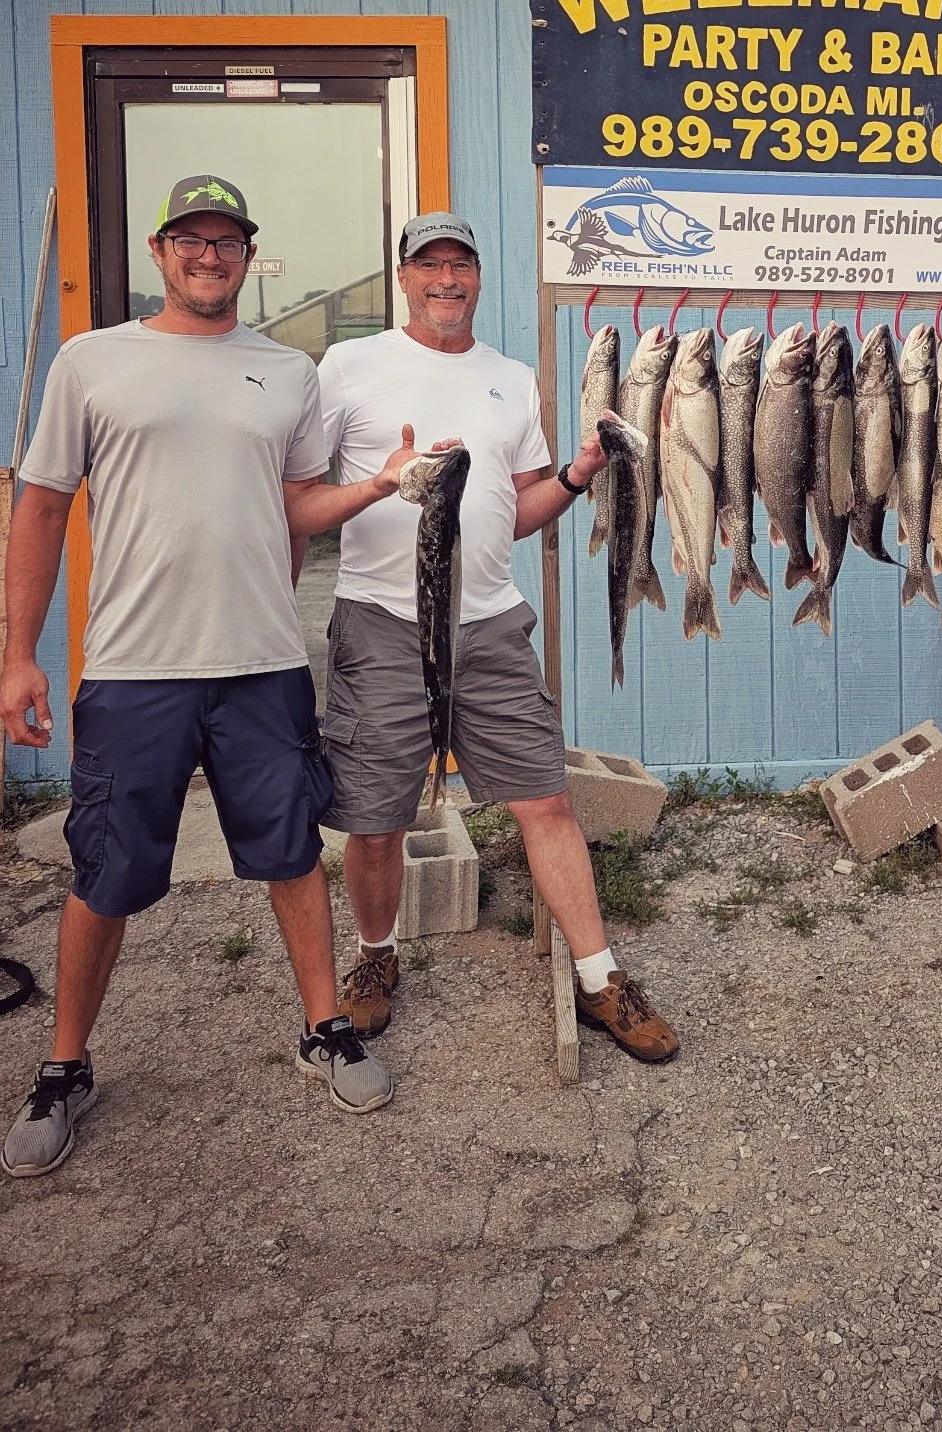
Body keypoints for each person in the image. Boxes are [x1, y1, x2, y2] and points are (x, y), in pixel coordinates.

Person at [0, 175, 419, 1180]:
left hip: (264, 665)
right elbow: (44, 506)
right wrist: (16, 655)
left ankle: (324, 1026)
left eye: (226, 240)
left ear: (246, 256)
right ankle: (64, 1064)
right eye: (191, 238)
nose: (209, 255)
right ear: (159, 251)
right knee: (106, 871)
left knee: (287, 856)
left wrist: (378, 488)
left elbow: (298, 511)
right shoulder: (92, 362)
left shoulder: (285, 371)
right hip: (136, 668)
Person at [311, 213, 678, 1064]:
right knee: (375, 820)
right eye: (428, 263)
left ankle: (599, 978)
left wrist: (580, 473)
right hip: (381, 622)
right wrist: (375, 486)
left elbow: (519, 510)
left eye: (460, 263)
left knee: (545, 801)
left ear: (478, 277)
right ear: (402, 277)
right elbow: (305, 494)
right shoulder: (349, 366)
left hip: (489, 624)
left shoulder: (510, 377)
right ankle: (375, 957)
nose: (446, 277)